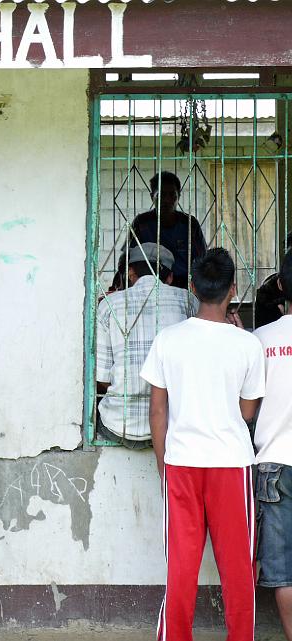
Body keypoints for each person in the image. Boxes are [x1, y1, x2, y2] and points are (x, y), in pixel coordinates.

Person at [140, 247, 265, 641]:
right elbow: (247, 412)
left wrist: (164, 461)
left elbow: (157, 411)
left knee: (180, 565)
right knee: (237, 570)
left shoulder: (168, 339)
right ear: (233, 289)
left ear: (193, 286)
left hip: (182, 463)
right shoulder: (247, 346)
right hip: (231, 464)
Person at [96, 243, 197, 448]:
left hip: (119, 426)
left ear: (131, 273)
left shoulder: (109, 305)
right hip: (173, 427)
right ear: (169, 278)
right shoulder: (189, 302)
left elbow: (101, 378)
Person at [253, 248, 292, 641]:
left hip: (275, 465)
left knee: (282, 570)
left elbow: (248, 408)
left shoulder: (260, 339)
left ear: (280, 286)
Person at [129, 171, 207, 289]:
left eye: (172, 195)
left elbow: (202, 260)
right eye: (161, 195)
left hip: (185, 285)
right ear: (152, 197)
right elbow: (129, 257)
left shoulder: (189, 224)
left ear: (179, 197)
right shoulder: (142, 223)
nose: (167, 200)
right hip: (150, 284)